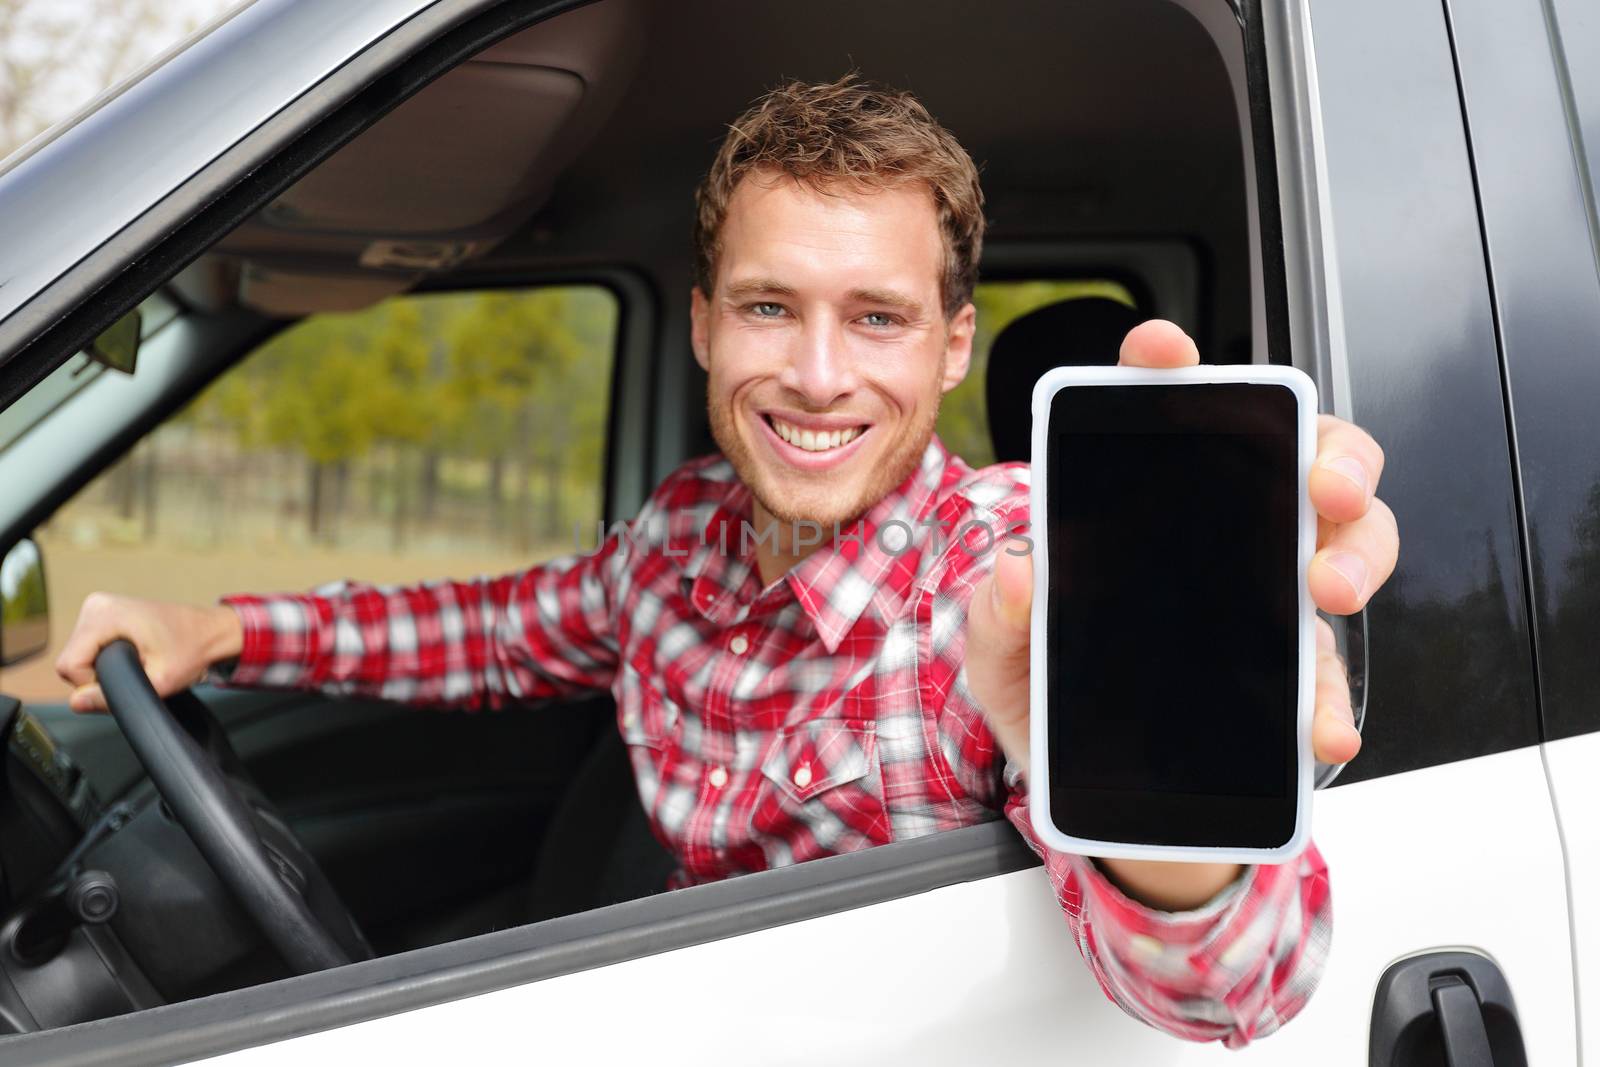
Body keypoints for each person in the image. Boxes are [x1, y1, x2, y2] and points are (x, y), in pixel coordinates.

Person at [56, 75, 1396, 1047]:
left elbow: (1239, 987)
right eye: (770, 306)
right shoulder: (680, 535)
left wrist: (1164, 746)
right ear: (703, 324)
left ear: (950, 346)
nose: (817, 376)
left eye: (876, 317)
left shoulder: (1006, 577)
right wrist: (216, 628)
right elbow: (500, 626)